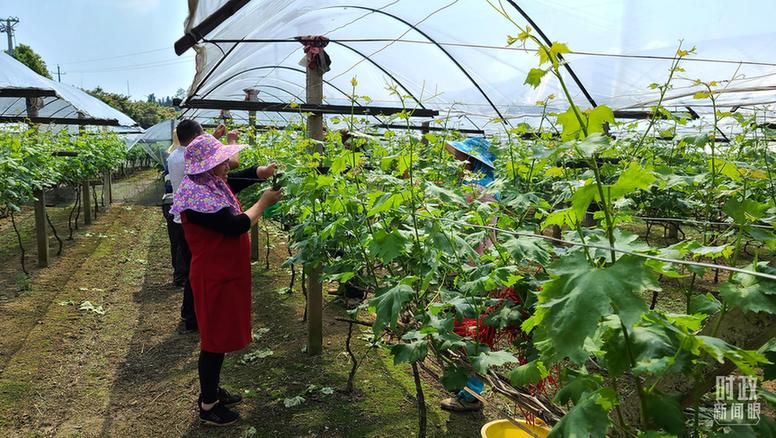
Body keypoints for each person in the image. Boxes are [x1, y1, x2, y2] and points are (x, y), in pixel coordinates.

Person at [169, 133, 280, 426]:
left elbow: (238, 178)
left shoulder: (207, 184)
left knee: (218, 338)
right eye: (221, 161)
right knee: (213, 343)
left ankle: (213, 391)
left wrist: (262, 172)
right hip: (213, 277)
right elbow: (235, 226)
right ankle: (208, 406)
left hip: (222, 274)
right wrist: (263, 203)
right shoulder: (197, 199)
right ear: (208, 166)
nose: (227, 164)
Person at [440, 136, 498, 413]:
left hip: (472, 264)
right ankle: (467, 386)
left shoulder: (474, 187)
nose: (457, 158)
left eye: (461, 155)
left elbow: (450, 217)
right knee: (473, 326)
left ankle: (470, 393)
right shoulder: (490, 185)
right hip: (481, 263)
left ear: (471, 159)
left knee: (471, 328)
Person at [169, 121, 240, 332]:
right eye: (202, 137)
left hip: (183, 220)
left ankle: (190, 314)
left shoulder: (175, 156)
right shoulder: (189, 161)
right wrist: (231, 140)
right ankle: (194, 318)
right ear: (193, 140)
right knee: (198, 273)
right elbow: (229, 163)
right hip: (195, 220)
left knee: (192, 270)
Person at [163, 131, 186, 286]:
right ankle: (181, 275)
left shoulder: (169, 155)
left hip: (168, 202)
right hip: (178, 203)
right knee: (183, 241)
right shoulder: (183, 157)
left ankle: (178, 272)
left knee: (175, 240)